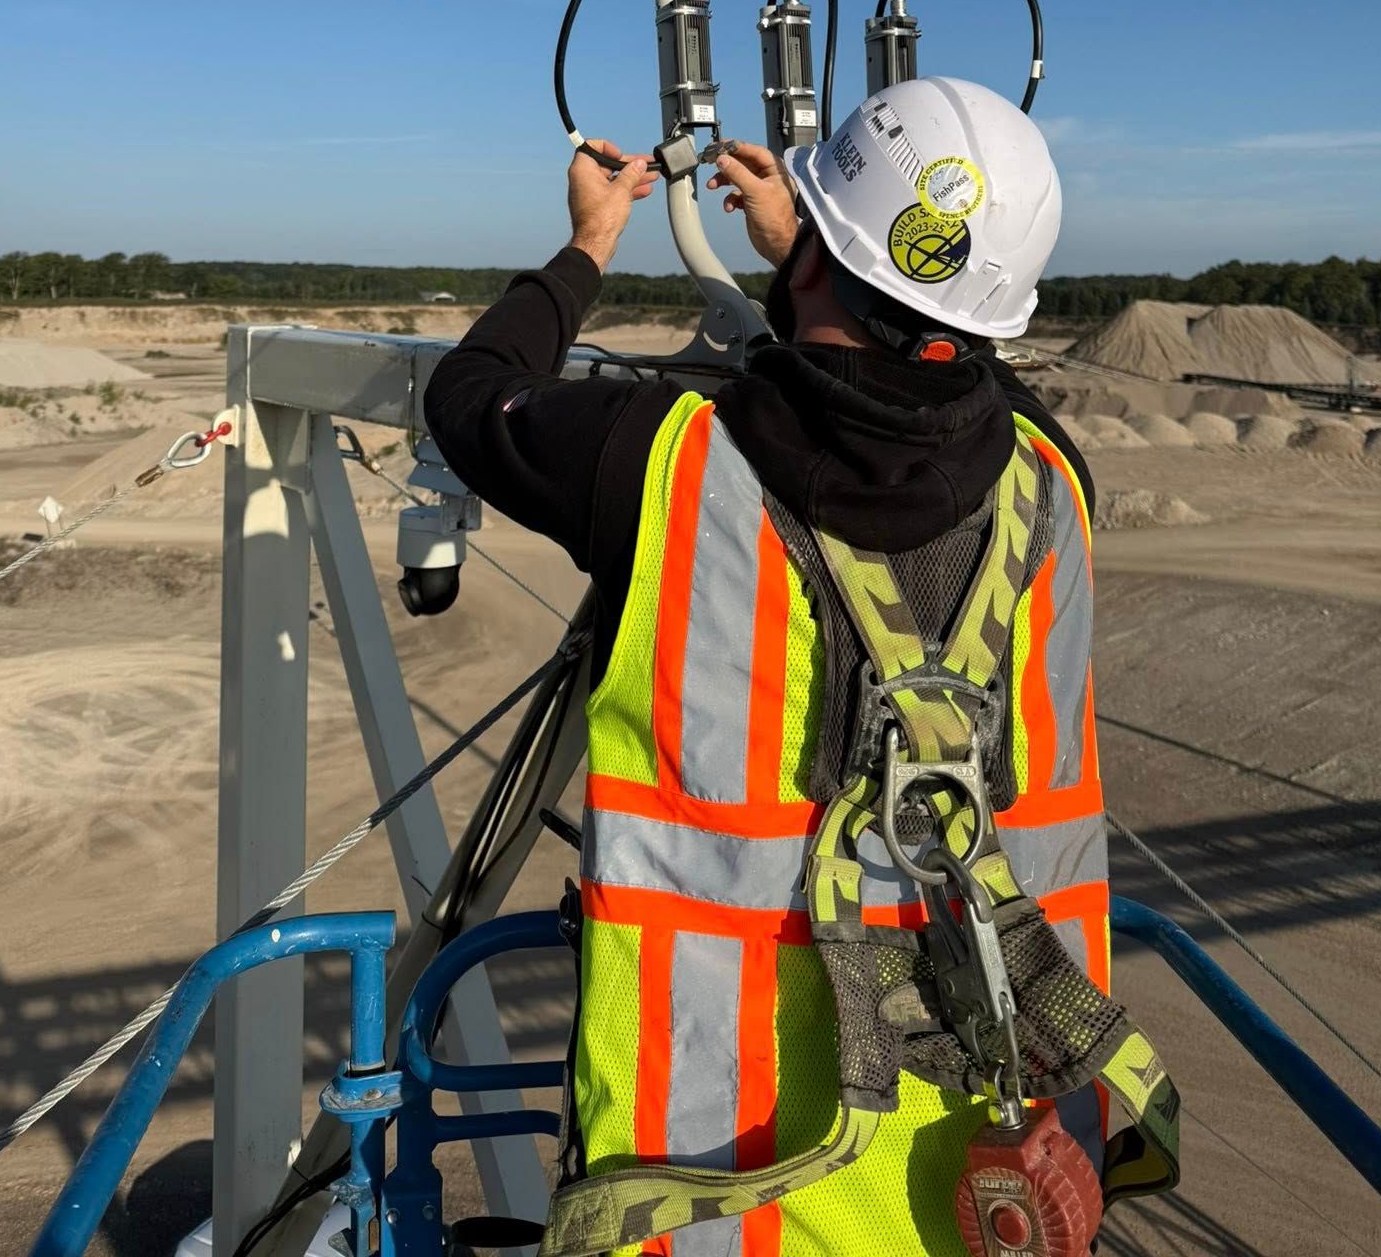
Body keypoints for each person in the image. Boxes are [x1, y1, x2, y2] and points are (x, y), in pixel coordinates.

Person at [426, 77, 1175, 1257]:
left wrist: (587, 246)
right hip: (993, 1181)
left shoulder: (656, 461)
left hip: (706, 1189)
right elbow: (956, 386)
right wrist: (817, 248)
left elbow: (466, 399)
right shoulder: (1054, 480)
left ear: (820, 259)